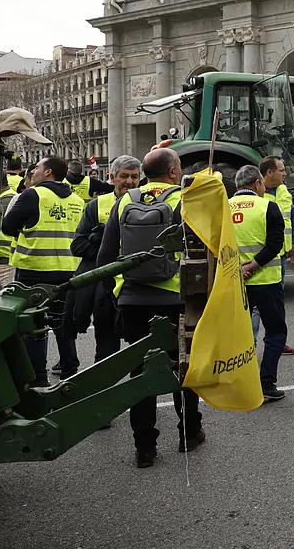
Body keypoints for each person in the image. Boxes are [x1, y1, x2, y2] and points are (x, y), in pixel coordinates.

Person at [97, 148, 204, 468]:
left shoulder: (124, 201)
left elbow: (105, 258)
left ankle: (145, 447)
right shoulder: (183, 200)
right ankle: (189, 433)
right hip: (175, 300)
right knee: (183, 368)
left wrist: (117, 295)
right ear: (173, 172)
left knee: (140, 372)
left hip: (133, 300)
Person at [0, 156, 85, 387]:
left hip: (34, 271)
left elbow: (7, 226)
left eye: (37, 167)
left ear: (48, 172)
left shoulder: (33, 195)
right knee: (62, 323)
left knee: (34, 326)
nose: (33, 171)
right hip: (68, 271)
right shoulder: (77, 201)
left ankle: (38, 379)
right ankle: (71, 371)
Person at [70, 155, 141, 366]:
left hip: (135, 288)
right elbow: (77, 246)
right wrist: (106, 246)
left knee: (140, 351)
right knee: (106, 353)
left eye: (134, 177)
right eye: (124, 176)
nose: (129, 182)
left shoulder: (148, 204)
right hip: (106, 292)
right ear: (112, 178)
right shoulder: (96, 206)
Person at [229, 165, 289, 402]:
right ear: (256, 184)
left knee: (240, 335)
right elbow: (275, 244)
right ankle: (266, 383)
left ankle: (240, 382)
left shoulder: (224, 207)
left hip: (235, 282)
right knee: (275, 332)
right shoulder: (268, 206)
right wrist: (252, 266)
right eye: (263, 185)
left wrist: (239, 269)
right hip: (266, 281)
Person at [255, 156, 294, 356]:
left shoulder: (283, 191)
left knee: (278, 301)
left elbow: (292, 215)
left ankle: (279, 342)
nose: (285, 173)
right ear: (269, 173)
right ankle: (250, 345)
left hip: (280, 256)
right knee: (257, 305)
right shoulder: (258, 195)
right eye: (281, 170)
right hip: (261, 258)